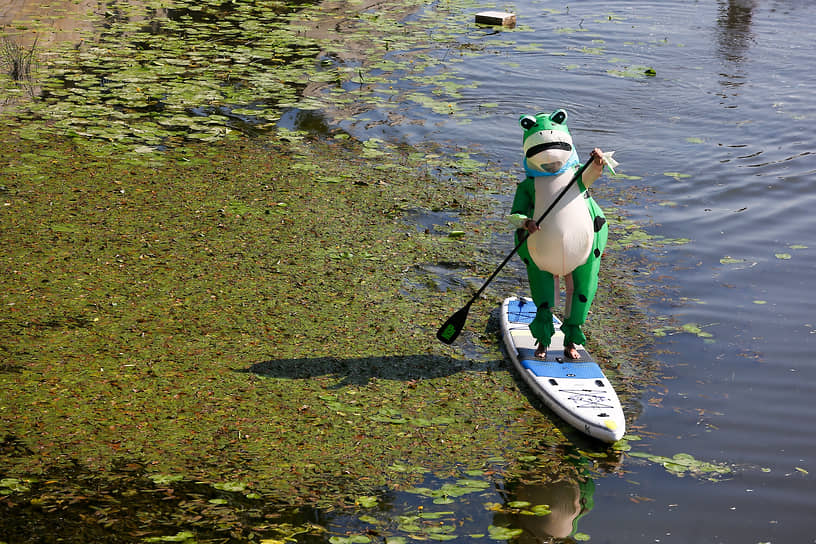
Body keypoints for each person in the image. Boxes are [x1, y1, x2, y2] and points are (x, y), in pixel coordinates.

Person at [509, 110, 612, 360]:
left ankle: (571, 342)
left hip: (584, 249)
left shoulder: (577, 178)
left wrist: (598, 161)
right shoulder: (527, 186)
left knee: (582, 291)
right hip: (541, 251)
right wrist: (526, 223)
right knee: (543, 297)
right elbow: (514, 215)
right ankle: (543, 341)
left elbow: (595, 172)